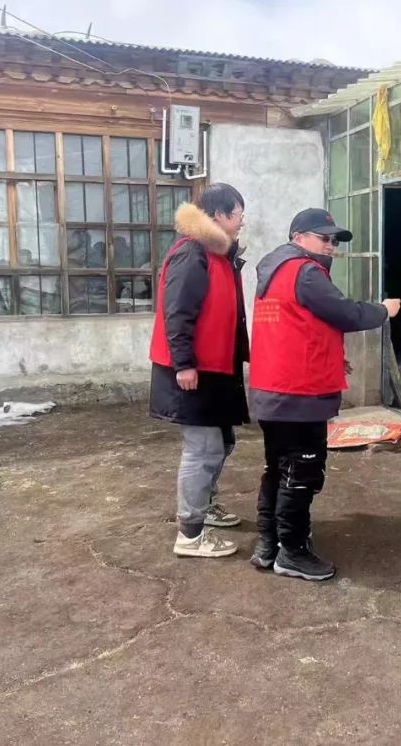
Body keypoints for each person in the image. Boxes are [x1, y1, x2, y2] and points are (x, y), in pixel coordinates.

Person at [249, 208, 400, 581]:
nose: (331, 246)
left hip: (274, 389)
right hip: (299, 393)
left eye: (334, 241)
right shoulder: (305, 272)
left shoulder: (275, 271)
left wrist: (333, 356)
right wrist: (383, 310)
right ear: (298, 237)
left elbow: (298, 326)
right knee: (301, 470)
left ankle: (269, 544)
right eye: (324, 238)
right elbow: (346, 313)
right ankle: (293, 551)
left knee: (277, 468)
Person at [148, 183, 250, 559]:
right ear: (220, 215)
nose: (241, 222)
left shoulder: (216, 253)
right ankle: (190, 534)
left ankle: (205, 508)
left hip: (215, 368)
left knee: (223, 442)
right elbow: (177, 311)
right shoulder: (192, 252)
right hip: (193, 371)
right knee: (203, 448)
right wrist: (184, 364)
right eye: (238, 215)